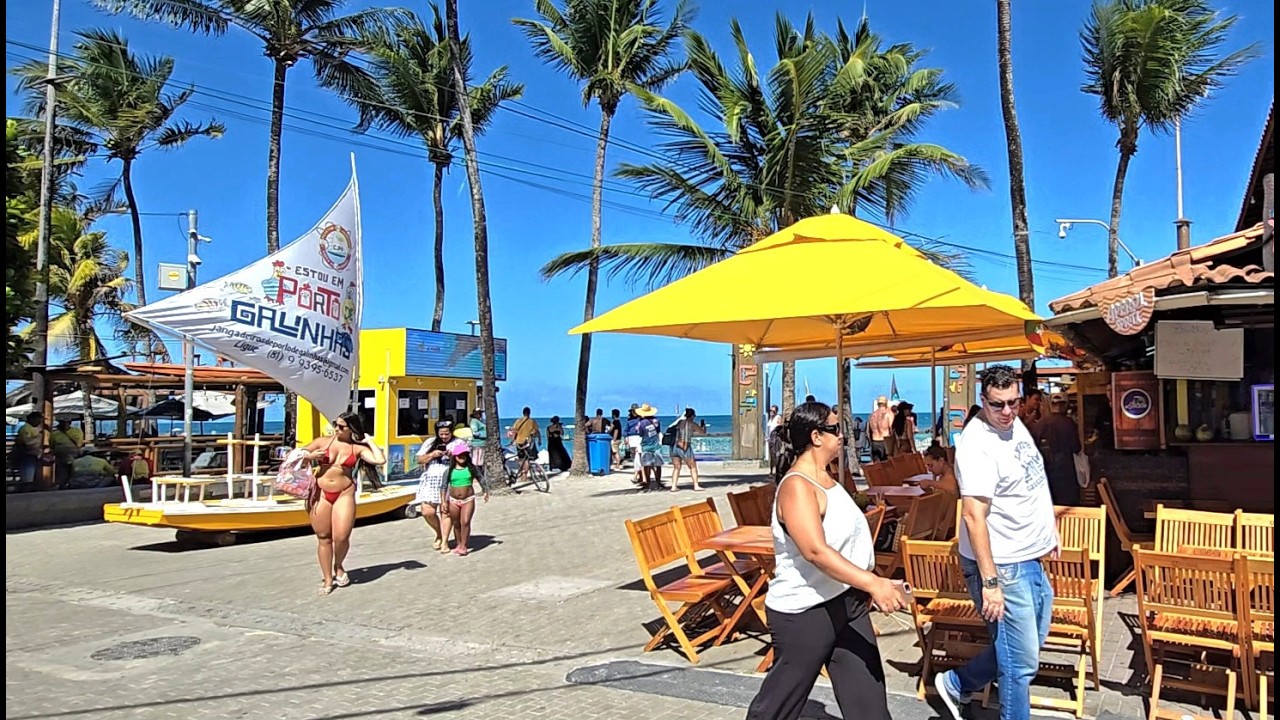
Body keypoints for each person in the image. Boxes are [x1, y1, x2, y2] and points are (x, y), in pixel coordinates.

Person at [745, 401, 900, 720]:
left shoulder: (830, 479)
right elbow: (814, 550)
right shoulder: (797, 486)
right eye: (835, 429)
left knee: (868, 705)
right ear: (816, 436)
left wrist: (871, 582)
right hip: (807, 612)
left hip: (848, 602)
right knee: (778, 707)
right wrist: (873, 582)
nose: (842, 436)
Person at [935, 364, 1058, 720]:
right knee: (1019, 665)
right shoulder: (977, 445)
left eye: (1013, 403)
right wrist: (991, 583)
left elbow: (1031, 478)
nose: (1007, 412)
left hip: (1029, 555)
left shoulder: (1013, 423)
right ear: (982, 401)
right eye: (997, 405)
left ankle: (958, 683)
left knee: (1028, 647)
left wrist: (1049, 527)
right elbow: (974, 515)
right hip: (1003, 565)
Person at [301, 412, 386, 596]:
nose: (337, 429)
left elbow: (380, 460)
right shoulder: (323, 442)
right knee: (324, 537)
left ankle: (338, 565)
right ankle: (328, 579)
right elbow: (295, 455)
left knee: (341, 537)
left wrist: (368, 440)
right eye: (336, 425)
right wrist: (310, 455)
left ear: (352, 429)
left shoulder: (357, 449)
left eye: (341, 427)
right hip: (321, 492)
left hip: (344, 493)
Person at [439, 440, 489, 556]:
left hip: (468, 499)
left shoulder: (471, 468)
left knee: (465, 522)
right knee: (456, 523)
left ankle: (463, 546)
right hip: (453, 500)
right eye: (460, 455)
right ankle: (459, 543)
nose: (462, 457)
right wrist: (443, 502)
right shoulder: (449, 471)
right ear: (455, 456)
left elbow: (481, 479)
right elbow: (443, 486)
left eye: (464, 455)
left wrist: (486, 491)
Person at [1033, 393, 1083, 506]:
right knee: (1068, 507)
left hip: (1046, 472)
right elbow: (1076, 447)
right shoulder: (1069, 423)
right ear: (1066, 405)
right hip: (1066, 473)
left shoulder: (1040, 424)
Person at [414, 420, 455, 553]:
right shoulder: (430, 442)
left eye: (446, 434)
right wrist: (432, 454)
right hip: (431, 481)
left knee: (446, 511)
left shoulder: (458, 443)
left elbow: (465, 460)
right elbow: (419, 460)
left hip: (450, 480)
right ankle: (439, 533)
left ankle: (444, 541)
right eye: (441, 434)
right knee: (427, 511)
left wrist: (452, 456)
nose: (444, 437)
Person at [669, 407, 706, 492]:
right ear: (692, 416)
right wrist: (703, 426)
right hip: (684, 447)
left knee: (676, 467)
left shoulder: (679, 422)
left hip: (674, 446)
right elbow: (702, 432)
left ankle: (673, 486)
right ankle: (696, 485)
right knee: (693, 467)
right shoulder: (692, 424)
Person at [12, 412, 46, 487]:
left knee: (32, 474)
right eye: (39, 420)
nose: (40, 422)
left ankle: (31, 485)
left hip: (32, 455)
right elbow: (28, 443)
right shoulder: (25, 429)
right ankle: (27, 486)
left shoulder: (31, 429)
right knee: (28, 476)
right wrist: (39, 437)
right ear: (32, 419)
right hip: (26, 455)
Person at [634, 403, 663, 492]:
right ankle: (658, 483)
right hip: (656, 445)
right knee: (658, 465)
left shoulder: (641, 423)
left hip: (646, 446)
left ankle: (647, 483)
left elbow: (640, 433)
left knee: (647, 466)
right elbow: (658, 431)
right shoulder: (656, 421)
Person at [509, 407, 540, 485]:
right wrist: (539, 440)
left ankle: (523, 474)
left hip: (519, 442)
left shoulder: (518, 421)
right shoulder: (532, 421)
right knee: (528, 458)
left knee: (521, 458)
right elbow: (536, 431)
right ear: (529, 413)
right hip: (528, 442)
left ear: (523, 413)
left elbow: (514, 431)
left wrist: (513, 440)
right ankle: (525, 475)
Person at [868, 398, 892, 462]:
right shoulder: (888, 414)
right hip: (885, 441)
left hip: (875, 441)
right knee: (887, 464)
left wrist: (871, 442)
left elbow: (869, 431)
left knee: (877, 465)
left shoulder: (872, 415)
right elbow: (892, 429)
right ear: (886, 403)